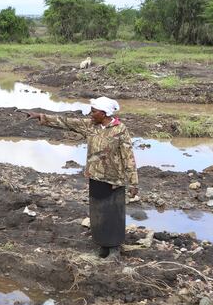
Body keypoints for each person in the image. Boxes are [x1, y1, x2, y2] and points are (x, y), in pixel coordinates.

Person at [26, 96, 138, 260]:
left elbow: (128, 156)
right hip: (95, 177)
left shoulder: (120, 130)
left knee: (113, 214)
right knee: (98, 212)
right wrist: (41, 116)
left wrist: (133, 182)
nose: (90, 114)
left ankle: (114, 248)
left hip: (115, 181)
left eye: (93, 112)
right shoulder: (90, 126)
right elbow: (67, 122)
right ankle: (102, 245)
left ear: (103, 113)